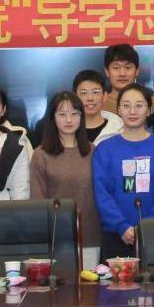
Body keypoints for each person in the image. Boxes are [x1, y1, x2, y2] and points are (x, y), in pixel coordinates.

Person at [92, 84, 154, 260]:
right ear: (118, 109)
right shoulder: (104, 149)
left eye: (139, 105)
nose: (132, 111)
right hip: (116, 235)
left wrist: (146, 227)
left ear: (148, 110)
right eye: (126, 105)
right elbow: (102, 193)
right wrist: (121, 226)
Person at [30, 92, 101, 269]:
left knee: (90, 284)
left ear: (81, 117)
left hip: (90, 234)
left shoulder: (93, 151)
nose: (69, 120)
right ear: (52, 118)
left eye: (74, 114)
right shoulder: (41, 154)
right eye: (62, 114)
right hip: (56, 237)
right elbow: (37, 200)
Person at [73, 69, 124, 146]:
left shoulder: (120, 129)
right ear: (74, 97)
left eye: (95, 92)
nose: (90, 98)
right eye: (83, 93)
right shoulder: (66, 128)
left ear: (105, 96)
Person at [101, 44, 140, 113]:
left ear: (137, 71)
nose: (122, 74)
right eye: (116, 68)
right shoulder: (99, 104)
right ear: (107, 72)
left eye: (128, 67)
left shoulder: (150, 102)